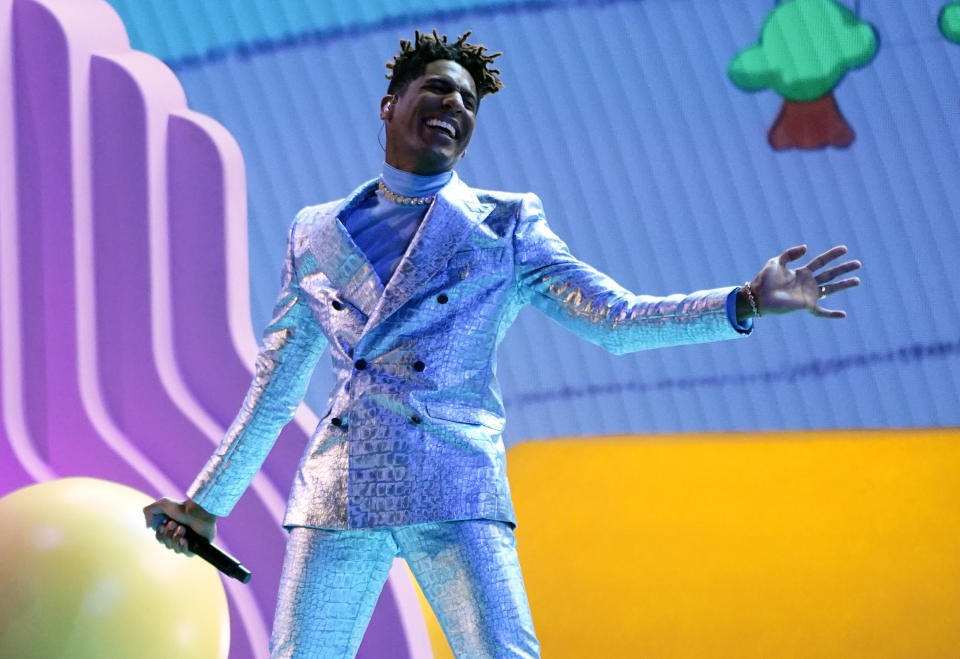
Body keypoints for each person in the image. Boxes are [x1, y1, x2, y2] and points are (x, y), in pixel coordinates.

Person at [144, 30, 861, 658]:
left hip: (454, 486)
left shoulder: (505, 224)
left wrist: (739, 302)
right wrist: (206, 503)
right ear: (389, 105)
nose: (454, 106)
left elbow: (613, 318)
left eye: (467, 101)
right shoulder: (315, 230)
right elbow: (276, 382)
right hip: (340, 490)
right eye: (437, 89)